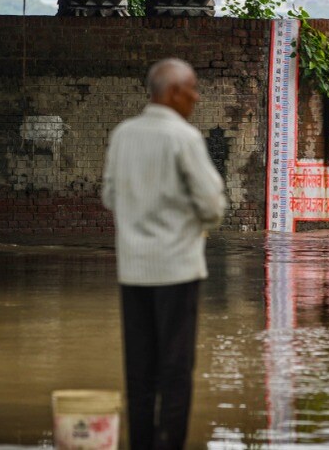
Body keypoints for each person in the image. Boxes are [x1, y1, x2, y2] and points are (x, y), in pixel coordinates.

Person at [101, 58, 227, 450]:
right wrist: (186, 220)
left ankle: (140, 443)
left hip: (133, 271)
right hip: (176, 271)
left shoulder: (124, 133)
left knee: (139, 369)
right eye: (192, 88)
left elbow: (108, 196)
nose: (196, 96)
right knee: (175, 369)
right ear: (172, 93)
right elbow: (213, 206)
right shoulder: (183, 137)